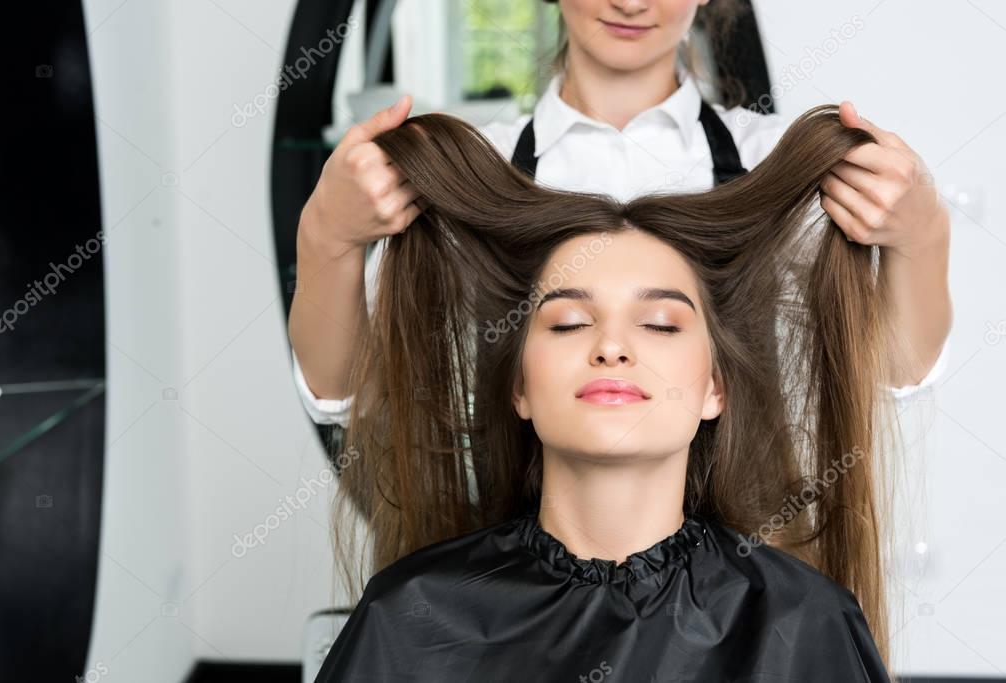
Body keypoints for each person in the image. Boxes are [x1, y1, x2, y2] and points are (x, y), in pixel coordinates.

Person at [313, 104, 894, 681]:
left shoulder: (802, 623)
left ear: (716, 387)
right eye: (568, 323)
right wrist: (324, 237)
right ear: (519, 387)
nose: (612, 346)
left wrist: (923, 236)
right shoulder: (411, 616)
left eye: (661, 324)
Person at [288, 0, 952, 469]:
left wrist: (921, 237)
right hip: (527, 572)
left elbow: (894, 375)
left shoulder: (773, 164)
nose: (631, 1)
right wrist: (327, 237)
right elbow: (342, 394)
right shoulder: (474, 173)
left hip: (738, 568)